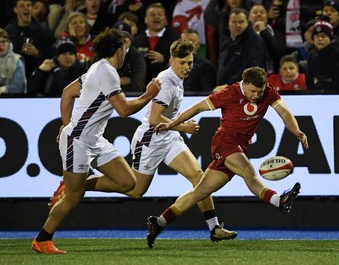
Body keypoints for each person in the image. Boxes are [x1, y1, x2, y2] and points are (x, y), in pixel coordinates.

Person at [47, 37, 237, 248]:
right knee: (136, 190)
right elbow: (155, 119)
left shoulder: (176, 80)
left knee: (198, 177)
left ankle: (214, 227)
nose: (187, 67)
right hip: (150, 140)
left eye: (190, 62)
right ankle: (77, 185)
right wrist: (183, 126)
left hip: (169, 137)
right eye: (182, 62)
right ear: (171, 61)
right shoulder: (166, 83)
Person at [147, 66, 309, 248]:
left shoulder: (268, 91)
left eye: (260, 91)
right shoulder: (229, 93)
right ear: (244, 84)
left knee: (199, 192)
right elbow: (199, 107)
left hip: (240, 147)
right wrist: (174, 124)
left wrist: (295, 130)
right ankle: (278, 200)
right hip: (224, 142)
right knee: (249, 172)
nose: (256, 95)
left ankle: (159, 222)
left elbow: (284, 112)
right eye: (253, 91)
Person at [31, 29, 161, 254]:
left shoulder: (98, 68)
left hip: (95, 140)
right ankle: (42, 239)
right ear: (119, 51)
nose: (125, 54)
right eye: (125, 50)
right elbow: (123, 109)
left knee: (128, 182)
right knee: (73, 198)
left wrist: (65, 123)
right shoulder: (107, 72)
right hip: (79, 141)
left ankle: (78, 184)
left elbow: (67, 92)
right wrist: (148, 95)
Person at [5, 0, 55, 79]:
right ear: (15, 10)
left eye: (29, 5)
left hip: (37, 77)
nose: (26, 8)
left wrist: (37, 53)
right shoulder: (8, 30)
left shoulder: (44, 31)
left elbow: (52, 56)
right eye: (22, 6)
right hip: (12, 76)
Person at [132, 3, 180, 84]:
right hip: (142, 86)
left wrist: (165, 60)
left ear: (165, 20)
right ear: (146, 19)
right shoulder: (137, 40)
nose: (156, 17)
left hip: (168, 85)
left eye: (160, 14)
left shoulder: (175, 39)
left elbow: (181, 61)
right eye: (152, 14)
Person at [217, 8, 266, 85]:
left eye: (241, 22)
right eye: (234, 22)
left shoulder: (254, 40)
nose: (238, 25)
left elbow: (251, 68)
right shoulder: (225, 38)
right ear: (228, 23)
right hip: (225, 87)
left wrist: (230, 85)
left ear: (247, 22)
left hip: (246, 87)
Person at [306, 16, 339, 91]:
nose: (320, 39)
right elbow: (310, 80)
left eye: (323, 36)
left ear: (330, 38)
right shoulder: (312, 54)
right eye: (316, 36)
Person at [113, 21, 147, 92]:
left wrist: (110, 84)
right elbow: (96, 83)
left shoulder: (137, 56)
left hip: (130, 98)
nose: (122, 39)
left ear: (131, 38)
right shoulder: (103, 54)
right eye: (118, 36)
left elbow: (137, 86)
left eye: (125, 36)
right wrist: (120, 81)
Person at [181, 28, 216, 93]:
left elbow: (207, 93)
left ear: (198, 45)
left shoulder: (206, 66)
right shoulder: (172, 63)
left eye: (192, 41)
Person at [0, 28, 26, 95]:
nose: (1, 44)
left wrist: (4, 89)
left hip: (12, 100)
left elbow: (19, 88)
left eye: (3, 41)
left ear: (9, 43)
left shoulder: (17, 61)